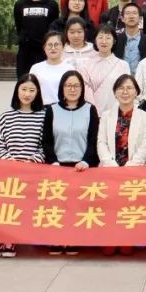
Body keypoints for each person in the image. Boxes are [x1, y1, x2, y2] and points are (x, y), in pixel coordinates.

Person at [42, 70, 100, 255]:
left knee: (76, 206)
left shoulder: (90, 109)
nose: (72, 89)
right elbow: (46, 140)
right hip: (58, 166)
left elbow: (94, 140)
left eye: (76, 85)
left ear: (82, 89)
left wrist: (86, 161)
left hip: (81, 167)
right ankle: (57, 239)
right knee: (57, 206)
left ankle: (74, 238)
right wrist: (53, 161)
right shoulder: (52, 110)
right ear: (62, 88)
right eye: (68, 85)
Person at [0, 75, 46, 258]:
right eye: (24, 89)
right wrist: (11, 161)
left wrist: (31, 161)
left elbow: (44, 146)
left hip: (33, 171)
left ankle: (12, 239)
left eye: (32, 90)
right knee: (4, 204)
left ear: (37, 93)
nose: (27, 94)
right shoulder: (6, 116)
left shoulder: (43, 116)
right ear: (17, 91)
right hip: (8, 170)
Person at [97, 75, 146, 168]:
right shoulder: (106, 116)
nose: (125, 92)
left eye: (129, 88)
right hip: (109, 168)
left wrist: (131, 165)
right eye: (121, 88)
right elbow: (101, 142)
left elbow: (145, 145)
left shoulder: (145, 117)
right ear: (115, 93)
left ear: (136, 92)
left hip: (136, 168)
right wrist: (111, 164)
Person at [13, 0, 59, 77]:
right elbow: (19, 26)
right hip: (25, 52)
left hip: (44, 51)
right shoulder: (20, 5)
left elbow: (54, 29)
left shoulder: (52, 5)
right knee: (24, 81)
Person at [81, 25, 131, 114]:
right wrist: (93, 110)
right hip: (91, 113)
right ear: (95, 40)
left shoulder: (123, 65)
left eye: (108, 38)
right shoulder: (86, 64)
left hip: (115, 113)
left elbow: (126, 91)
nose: (104, 41)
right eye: (100, 37)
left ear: (114, 41)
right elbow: (84, 89)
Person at [29, 31, 75, 107]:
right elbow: (30, 90)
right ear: (44, 47)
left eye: (56, 44)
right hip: (41, 109)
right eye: (50, 45)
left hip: (63, 108)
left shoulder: (70, 68)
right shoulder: (36, 68)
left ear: (63, 47)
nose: (53, 48)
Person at [112, 3, 146, 74]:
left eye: (134, 13)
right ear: (122, 18)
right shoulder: (116, 40)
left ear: (140, 18)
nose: (131, 16)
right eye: (127, 13)